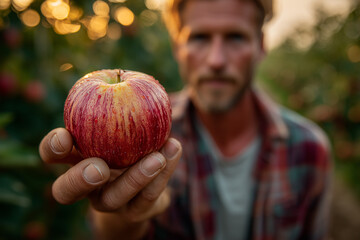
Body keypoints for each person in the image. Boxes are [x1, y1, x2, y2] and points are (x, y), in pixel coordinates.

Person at [39, 0, 332, 239]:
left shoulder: (310, 149)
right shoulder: (149, 140)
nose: (216, 60)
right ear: (178, 46)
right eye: (200, 37)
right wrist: (121, 219)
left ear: (261, 46)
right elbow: (113, 233)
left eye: (235, 37)